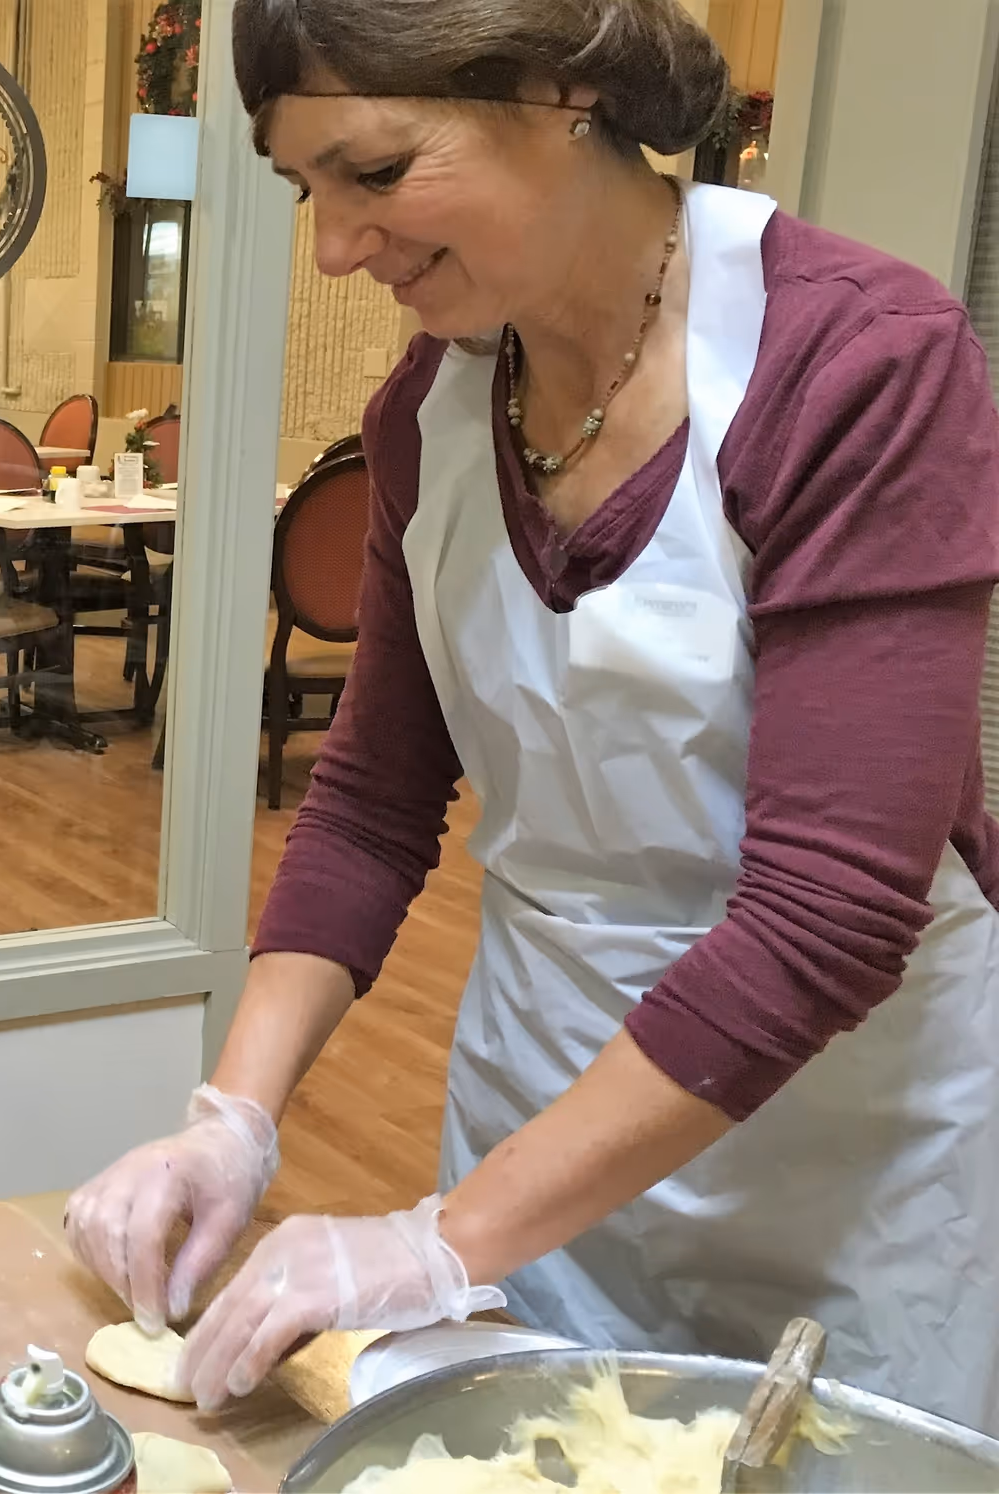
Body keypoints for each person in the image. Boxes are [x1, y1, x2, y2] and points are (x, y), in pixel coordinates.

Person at [68, 0, 999, 1429]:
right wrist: (234, 1118)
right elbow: (375, 799)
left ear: (564, 91)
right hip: (545, 1117)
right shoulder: (426, 418)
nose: (335, 246)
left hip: (847, 1150)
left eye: (375, 174)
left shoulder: (855, 364)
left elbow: (831, 913)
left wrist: (439, 1236)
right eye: (306, 189)